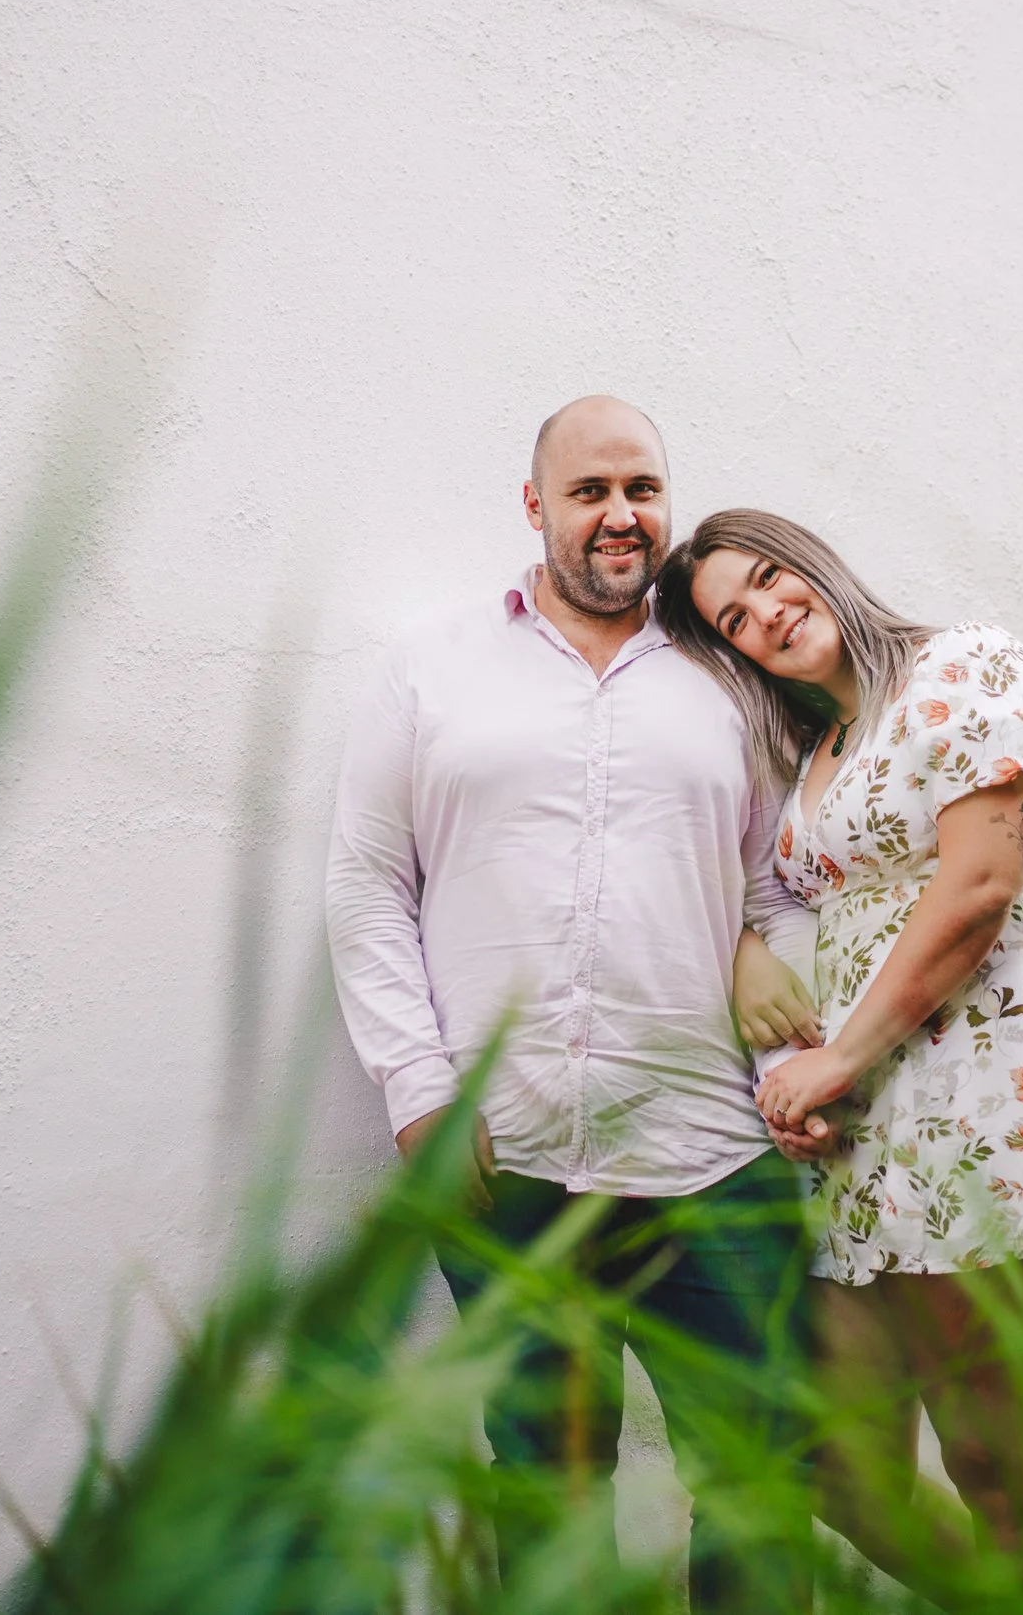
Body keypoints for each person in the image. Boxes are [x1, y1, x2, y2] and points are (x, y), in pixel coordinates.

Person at [325, 398, 823, 1611]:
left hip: (712, 1154)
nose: (619, 514)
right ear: (535, 504)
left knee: (762, 1475)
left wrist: (764, 936)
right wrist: (418, 1095)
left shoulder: (728, 673)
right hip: (512, 1156)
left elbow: (786, 869)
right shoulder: (431, 668)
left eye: (642, 488)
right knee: (544, 1487)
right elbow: (365, 883)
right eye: (590, 489)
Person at [656, 508, 1023, 1598]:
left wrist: (838, 1059)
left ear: (816, 561)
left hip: (986, 1099)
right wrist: (751, 962)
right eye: (734, 618)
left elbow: (978, 886)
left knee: (997, 1458)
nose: (766, 615)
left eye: (771, 579)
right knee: (838, 1459)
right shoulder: (812, 749)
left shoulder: (962, 667)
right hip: (866, 1140)